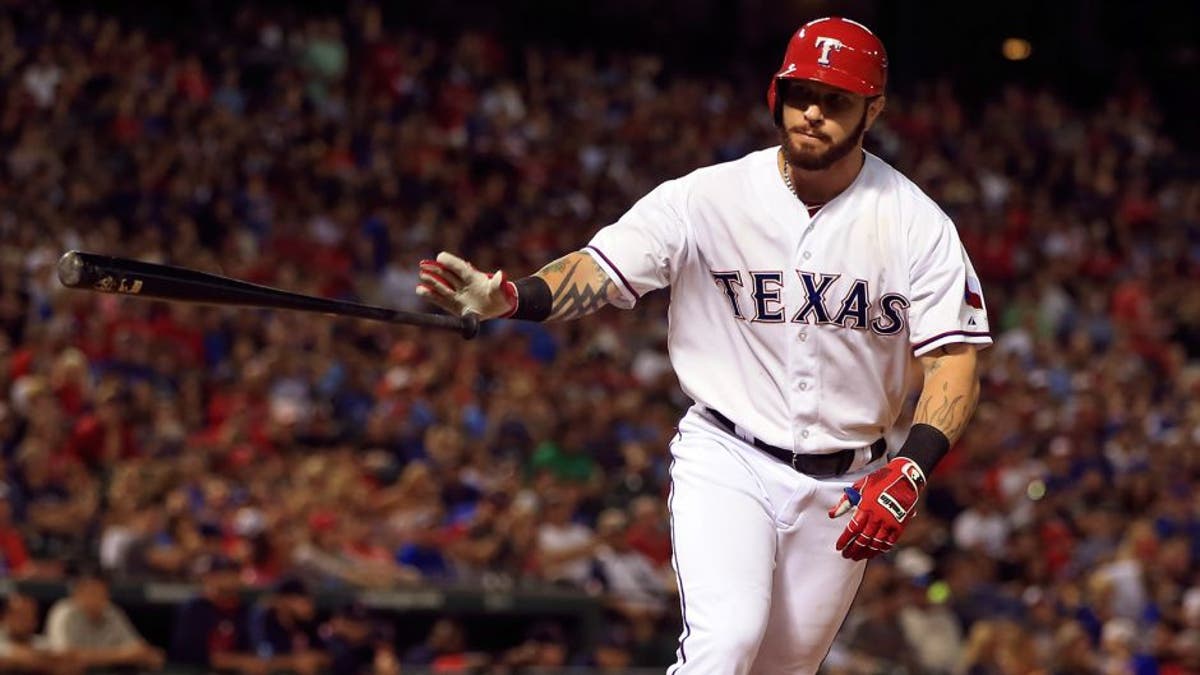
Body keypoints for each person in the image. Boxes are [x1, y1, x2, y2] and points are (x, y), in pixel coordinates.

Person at [416, 15, 989, 673]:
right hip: (729, 454)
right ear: (777, 93)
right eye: (801, 93)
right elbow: (601, 268)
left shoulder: (917, 223)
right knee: (727, 643)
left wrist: (911, 467)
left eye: (836, 100)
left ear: (874, 109)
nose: (812, 112)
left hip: (847, 481)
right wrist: (515, 298)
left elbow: (954, 361)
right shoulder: (707, 197)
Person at [44, 566, 165, 671]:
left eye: (101, 592)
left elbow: (139, 650)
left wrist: (139, 655)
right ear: (76, 593)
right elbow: (64, 657)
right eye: (90, 592)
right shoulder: (64, 612)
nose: (96, 598)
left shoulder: (111, 611)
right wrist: (121, 656)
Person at [0, 592, 81, 674]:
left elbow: (69, 662)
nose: (23, 621)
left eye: (28, 615)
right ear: (5, 617)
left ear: (35, 621)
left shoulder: (42, 643)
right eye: (18, 615)